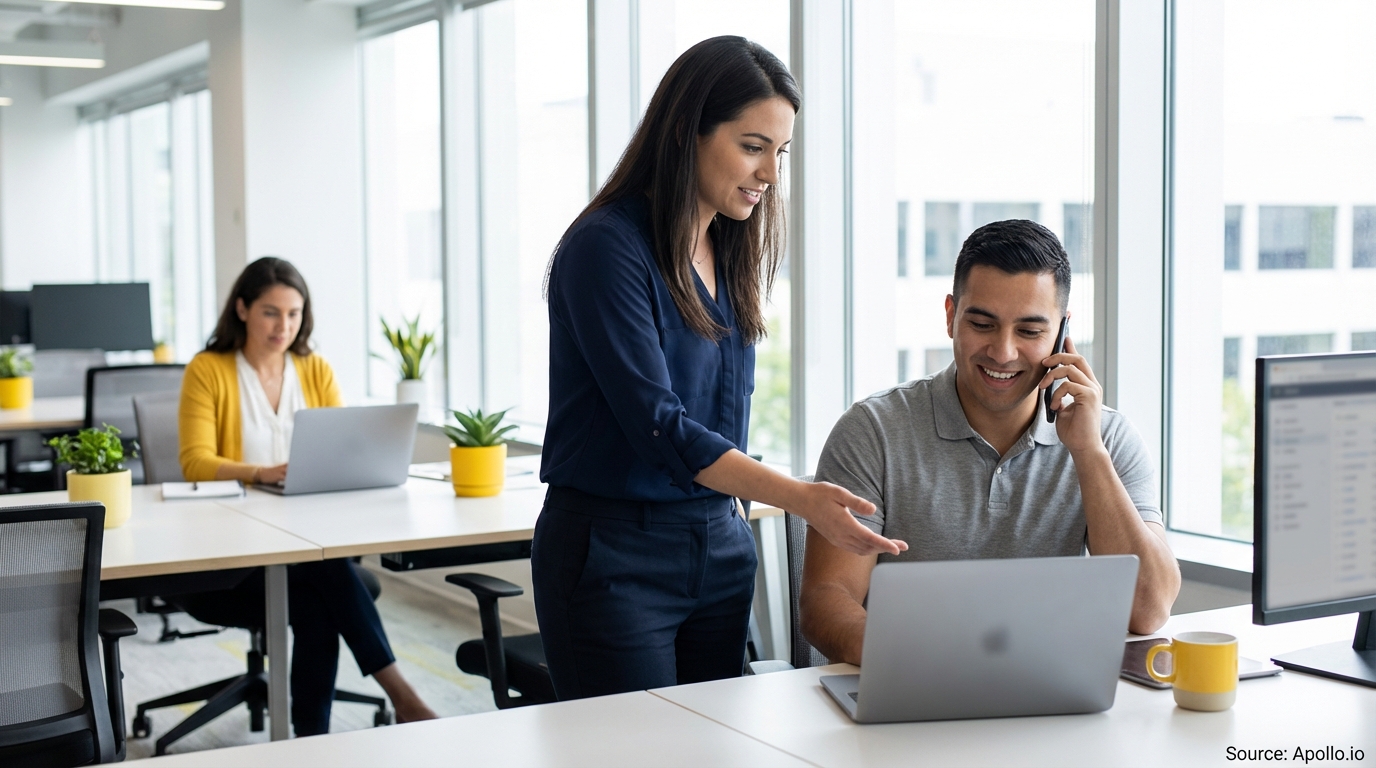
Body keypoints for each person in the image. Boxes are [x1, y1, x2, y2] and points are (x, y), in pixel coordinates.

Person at [534, 36, 907, 700]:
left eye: (780, 154)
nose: (769, 174)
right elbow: (659, 427)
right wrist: (799, 498)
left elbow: (723, 418)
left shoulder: (728, 249)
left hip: (718, 544)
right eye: (753, 146)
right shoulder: (604, 249)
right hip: (615, 557)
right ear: (687, 133)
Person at [800, 220, 1181, 665]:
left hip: (1051, 696)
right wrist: (921, 660)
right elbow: (826, 600)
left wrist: (1088, 453)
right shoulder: (873, 430)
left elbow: (1149, 610)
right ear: (950, 316)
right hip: (910, 683)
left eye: (1030, 332)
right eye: (982, 324)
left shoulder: (1107, 438)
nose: (1002, 352)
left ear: (1062, 331)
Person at [178, 256, 436, 734]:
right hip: (230, 557)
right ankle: (401, 695)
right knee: (332, 580)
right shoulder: (208, 370)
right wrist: (262, 472)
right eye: (271, 312)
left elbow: (338, 446)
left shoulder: (313, 369)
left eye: (294, 313)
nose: (284, 326)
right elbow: (195, 461)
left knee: (321, 589)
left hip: (302, 541)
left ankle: (313, 741)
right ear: (242, 309)